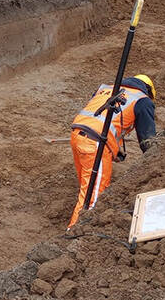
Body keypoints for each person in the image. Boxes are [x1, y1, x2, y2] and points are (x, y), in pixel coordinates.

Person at [67, 74, 157, 228]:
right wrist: (155, 158)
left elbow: (104, 117)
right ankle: (74, 231)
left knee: (87, 185)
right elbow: (147, 139)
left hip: (77, 135)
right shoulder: (142, 100)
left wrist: (113, 149)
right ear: (148, 91)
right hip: (96, 144)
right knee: (93, 196)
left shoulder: (108, 89)